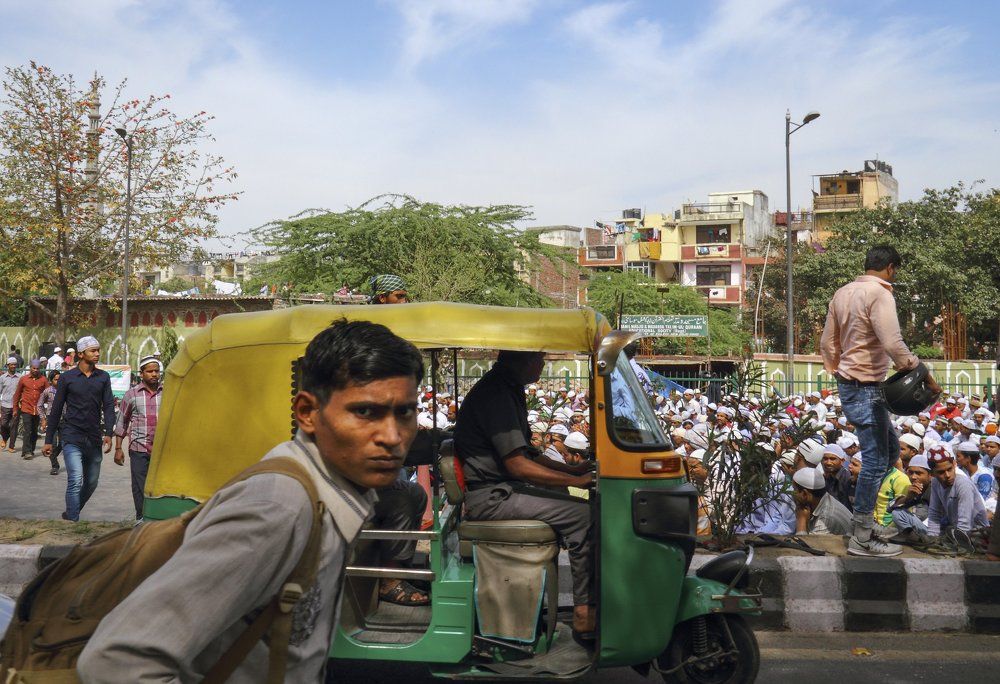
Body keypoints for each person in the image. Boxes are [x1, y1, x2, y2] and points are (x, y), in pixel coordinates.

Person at [79, 319, 424, 681]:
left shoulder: (337, 494)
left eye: (405, 413)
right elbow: (115, 662)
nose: (392, 436)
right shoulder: (279, 509)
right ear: (307, 413)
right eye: (366, 412)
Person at [454, 350, 596, 641]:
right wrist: (578, 480)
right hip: (491, 497)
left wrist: (575, 470)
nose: (543, 364)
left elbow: (528, 454)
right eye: (540, 358)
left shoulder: (507, 388)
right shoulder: (497, 394)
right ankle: (584, 611)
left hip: (501, 489)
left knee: (564, 495)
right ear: (525, 360)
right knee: (585, 516)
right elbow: (518, 466)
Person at [820, 244, 941, 557]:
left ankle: (867, 527)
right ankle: (862, 536)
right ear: (891, 268)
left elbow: (827, 343)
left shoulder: (842, 293)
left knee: (888, 453)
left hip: (854, 385)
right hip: (865, 388)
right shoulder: (881, 293)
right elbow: (893, 343)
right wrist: (921, 373)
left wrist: (840, 373)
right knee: (875, 461)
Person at [366, 273, 429, 606]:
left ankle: (397, 565)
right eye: (400, 297)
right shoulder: (371, 345)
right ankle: (390, 579)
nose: (405, 303)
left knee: (414, 493)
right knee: (402, 500)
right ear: (382, 300)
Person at [42, 336, 116, 522]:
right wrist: (48, 440)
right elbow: (56, 409)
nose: (97, 353)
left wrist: (109, 432)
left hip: (94, 437)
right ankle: (73, 521)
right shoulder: (67, 378)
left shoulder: (103, 377)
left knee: (91, 482)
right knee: (75, 480)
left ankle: (71, 512)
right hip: (71, 436)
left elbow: (108, 405)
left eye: (98, 350)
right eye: (93, 350)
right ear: (81, 354)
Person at [113, 356, 163, 522]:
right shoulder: (131, 395)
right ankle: (141, 519)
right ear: (141, 374)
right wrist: (118, 449)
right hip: (139, 448)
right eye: (149, 371)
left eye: (156, 371)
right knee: (139, 486)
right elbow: (122, 422)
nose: (154, 374)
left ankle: (157, 519)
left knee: (158, 486)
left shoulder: (167, 393)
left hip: (162, 450)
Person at [925, 446, 989, 536]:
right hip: (956, 530)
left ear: (954, 464)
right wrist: (932, 537)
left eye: (949, 469)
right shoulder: (935, 482)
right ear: (932, 473)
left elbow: (965, 524)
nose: (947, 475)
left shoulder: (963, 484)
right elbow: (934, 513)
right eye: (941, 472)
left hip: (977, 533)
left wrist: (959, 543)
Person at [791, 467, 853, 535]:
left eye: (794, 490)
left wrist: (801, 521)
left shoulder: (826, 518)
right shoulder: (823, 499)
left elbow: (805, 544)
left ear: (804, 494)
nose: (791, 494)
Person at [889, 454, 933, 543]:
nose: (913, 477)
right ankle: (915, 538)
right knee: (897, 513)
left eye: (919, 473)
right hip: (919, 526)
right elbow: (889, 508)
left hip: (935, 530)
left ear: (930, 475)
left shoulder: (935, 489)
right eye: (911, 472)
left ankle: (923, 539)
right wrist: (908, 498)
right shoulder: (911, 488)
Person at [11, 359, 49, 459]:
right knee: (27, 430)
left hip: (38, 410)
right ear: (30, 368)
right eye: (34, 368)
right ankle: (26, 451)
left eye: (37, 368)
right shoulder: (23, 379)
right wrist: (15, 408)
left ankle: (30, 450)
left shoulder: (43, 380)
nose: (36, 370)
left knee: (34, 431)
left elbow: (48, 394)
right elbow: (17, 394)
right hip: (26, 408)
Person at [37, 370, 62, 475]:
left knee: (64, 443)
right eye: (56, 379)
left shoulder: (65, 391)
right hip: (51, 419)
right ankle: (54, 466)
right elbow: (39, 405)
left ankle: (53, 455)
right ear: (51, 381)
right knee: (52, 443)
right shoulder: (47, 391)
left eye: (60, 379)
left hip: (64, 419)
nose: (58, 381)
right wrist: (43, 419)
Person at [820, 444, 853, 511]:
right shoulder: (828, 476)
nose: (828, 463)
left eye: (833, 459)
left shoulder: (847, 479)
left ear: (842, 461)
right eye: (825, 459)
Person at [0, 357, 21, 452]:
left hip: (16, 406)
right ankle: (4, 438)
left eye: (14, 364)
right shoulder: (2, 378)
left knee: (14, 426)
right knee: (3, 424)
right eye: (11, 364)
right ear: (7, 365)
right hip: (5, 404)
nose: (13, 366)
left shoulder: (20, 377)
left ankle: (11, 446)